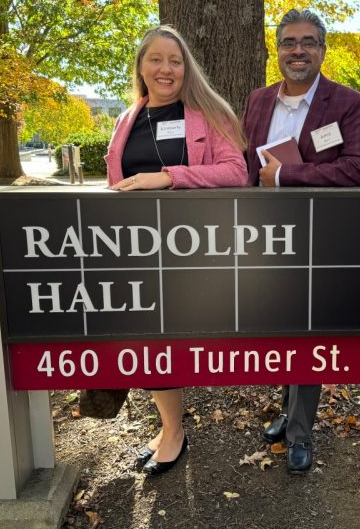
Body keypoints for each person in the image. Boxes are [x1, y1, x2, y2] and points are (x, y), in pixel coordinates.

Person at [104, 25, 247, 476]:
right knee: (149, 344)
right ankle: (172, 430)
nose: (166, 69)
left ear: (187, 69)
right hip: (137, 253)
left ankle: (173, 430)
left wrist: (169, 176)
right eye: (156, 60)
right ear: (141, 67)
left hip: (194, 252)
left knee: (176, 341)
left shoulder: (207, 113)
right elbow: (116, 184)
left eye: (176, 61)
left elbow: (236, 172)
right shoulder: (126, 119)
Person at [242, 9, 360, 474]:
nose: (298, 51)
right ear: (277, 49)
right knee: (279, 324)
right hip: (263, 235)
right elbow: (244, 163)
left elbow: (357, 170)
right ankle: (285, 410)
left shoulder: (347, 102)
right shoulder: (257, 100)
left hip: (319, 238)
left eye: (309, 42)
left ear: (322, 49)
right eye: (289, 42)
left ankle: (300, 431)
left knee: (309, 330)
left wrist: (287, 174)